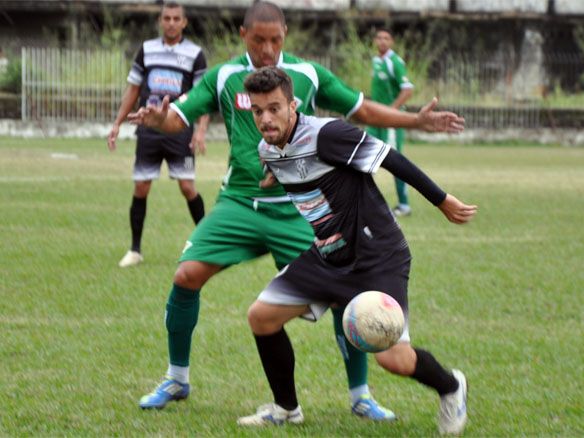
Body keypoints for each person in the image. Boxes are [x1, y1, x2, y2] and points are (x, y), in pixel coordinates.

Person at [127, 1, 465, 418]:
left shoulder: (307, 80)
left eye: (275, 40)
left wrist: (414, 126)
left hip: (314, 221)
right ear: (242, 36)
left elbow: (362, 113)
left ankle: (362, 395)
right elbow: (180, 114)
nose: (267, 48)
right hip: (241, 204)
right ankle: (186, 380)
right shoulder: (225, 78)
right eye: (258, 40)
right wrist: (161, 122)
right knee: (197, 280)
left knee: (359, 313)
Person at [236, 66, 476, 435]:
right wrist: (272, 174)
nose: (266, 118)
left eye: (274, 108)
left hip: (377, 256)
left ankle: (451, 386)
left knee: (393, 359)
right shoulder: (267, 148)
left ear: (293, 105)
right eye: (257, 110)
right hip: (328, 256)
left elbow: (390, 158)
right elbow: (287, 167)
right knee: (261, 317)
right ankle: (285, 408)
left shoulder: (327, 134)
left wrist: (442, 200)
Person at [107, 1, 210, 268]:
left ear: (184, 22)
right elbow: (133, 89)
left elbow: (203, 97)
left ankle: (208, 246)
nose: (172, 22)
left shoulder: (195, 54)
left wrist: (200, 130)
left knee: (187, 187)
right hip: (150, 131)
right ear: (160, 21)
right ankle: (135, 250)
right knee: (141, 186)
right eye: (167, 18)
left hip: (180, 132)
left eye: (177, 18)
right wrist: (118, 123)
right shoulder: (147, 50)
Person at [367, 28, 414, 217]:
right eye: (379, 37)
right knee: (363, 158)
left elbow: (408, 89)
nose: (382, 41)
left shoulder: (394, 62)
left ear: (392, 41)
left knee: (395, 162)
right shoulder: (376, 61)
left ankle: (404, 205)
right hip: (375, 119)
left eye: (386, 38)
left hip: (391, 122)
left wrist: (391, 111)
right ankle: (366, 204)